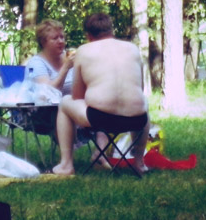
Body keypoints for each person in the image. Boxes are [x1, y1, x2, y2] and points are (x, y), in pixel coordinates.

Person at [51, 13, 150, 176]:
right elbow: (140, 88)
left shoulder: (83, 51)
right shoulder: (132, 48)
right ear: (112, 30)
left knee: (65, 102)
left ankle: (66, 165)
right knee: (143, 102)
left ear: (88, 35)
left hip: (100, 118)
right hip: (136, 120)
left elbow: (77, 96)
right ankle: (139, 163)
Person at [25, 19, 75, 95]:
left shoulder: (69, 57)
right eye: (55, 38)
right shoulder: (36, 63)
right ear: (43, 42)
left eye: (62, 37)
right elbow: (47, 94)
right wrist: (66, 68)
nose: (61, 41)